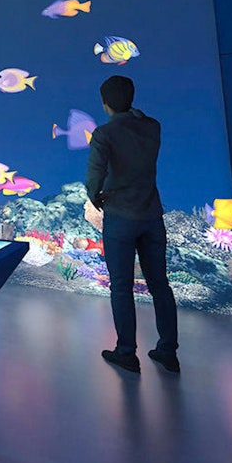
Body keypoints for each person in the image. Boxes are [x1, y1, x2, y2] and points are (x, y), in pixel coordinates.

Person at [86, 75, 179, 374]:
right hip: (152, 215)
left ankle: (127, 352)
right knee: (160, 285)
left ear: (105, 103)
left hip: (121, 218)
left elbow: (95, 174)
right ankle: (168, 351)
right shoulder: (153, 127)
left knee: (121, 288)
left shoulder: (104, 133)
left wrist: (95, 196)